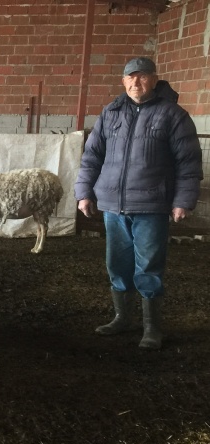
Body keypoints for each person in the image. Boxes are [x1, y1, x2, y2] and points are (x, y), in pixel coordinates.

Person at [74, 56, 203, 350]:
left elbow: (188, 162)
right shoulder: (110, 113)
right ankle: (122, 318)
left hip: (151, 205)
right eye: (130, 77)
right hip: (113, 205)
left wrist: (183, 201)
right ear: (123, 81)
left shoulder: (173, 115)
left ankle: (151, 328)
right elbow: (92, 156)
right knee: (117, 264)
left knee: (148, 266)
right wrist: (84, 192)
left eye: (142, 76)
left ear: (154, 80)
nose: (136, 82)